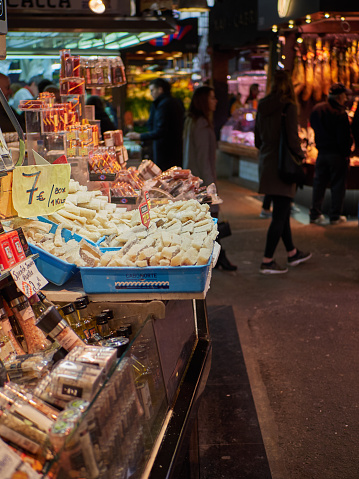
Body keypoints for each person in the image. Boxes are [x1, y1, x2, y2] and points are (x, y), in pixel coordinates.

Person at [255, 70, 311, 275]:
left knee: (282, 210)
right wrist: (300, 156)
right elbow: (292, 138)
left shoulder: (262, 106)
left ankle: (292, 252)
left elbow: (257, 140)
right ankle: (267, 260)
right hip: (284, 165)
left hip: (267, 162)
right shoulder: (289, 106)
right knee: (280, 214)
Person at [183, 85, 237, 271]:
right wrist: (212, 190)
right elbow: (204, 160)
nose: (216, 101)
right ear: (203, 101)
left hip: (194, 183)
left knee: (204, 225)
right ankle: (217, 258)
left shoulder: (192, 121)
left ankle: (218, 257)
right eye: (212, 98)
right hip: (202, 185)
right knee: (210, 224)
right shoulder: (202, 125)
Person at [309, 83, 353, 225]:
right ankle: (335, 216)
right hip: (337, 155)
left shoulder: (317, 109)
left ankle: (315, 214)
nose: (346, 98)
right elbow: (344, 137)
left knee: (319, 184)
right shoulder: (340, 114)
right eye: (345, 96)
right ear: (340, 97)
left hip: (321, 153)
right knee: (338, 185)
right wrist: (347, 154)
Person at [126, 78, 184, 171]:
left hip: (165, 152)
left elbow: (161, 131)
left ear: (160, 89)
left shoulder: (164, 105)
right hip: (174, 150)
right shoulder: (173, 102)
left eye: (152, 90)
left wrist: (140, 136)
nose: (151, 93)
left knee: (166, 177)